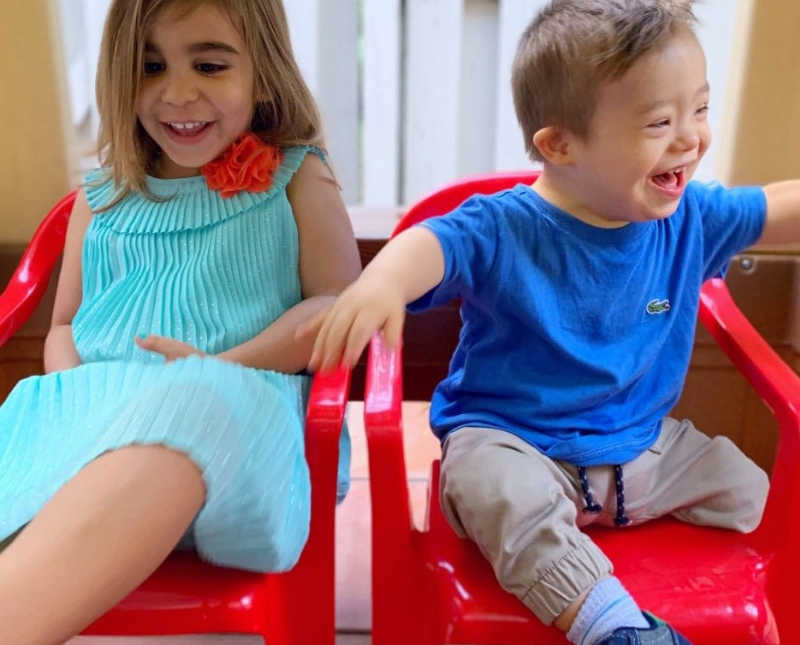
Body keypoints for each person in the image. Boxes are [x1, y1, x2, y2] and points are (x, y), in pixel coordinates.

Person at [302, 1, 800, 643]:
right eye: (659, 122)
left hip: (643, 451)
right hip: (515, 440)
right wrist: (381, 283)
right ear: (560, 144)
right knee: (488, 488)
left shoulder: (690, 218)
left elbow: (774, 207)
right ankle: (616, 626)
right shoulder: (505, 227)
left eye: (699, 110)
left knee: (750, 487)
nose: (691, 139)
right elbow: (431, 244)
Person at [0, 0, 360, 642]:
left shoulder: (297, 179)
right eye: (150, 67)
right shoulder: (102, 199)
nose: (178, 92)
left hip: (240, 434)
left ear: (263, 71)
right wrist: (78, 395)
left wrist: (221, 366)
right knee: (32, 427)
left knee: (190, 399)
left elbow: (334, 305)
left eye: (210, 64)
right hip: (94, 430)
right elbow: (64, 326)